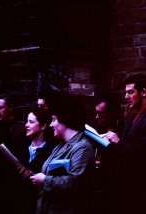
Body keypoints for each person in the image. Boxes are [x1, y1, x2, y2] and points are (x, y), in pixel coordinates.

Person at [30, 95, 96, 214]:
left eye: (54, 119)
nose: (51, 124)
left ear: (65, 121)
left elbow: (74, 182)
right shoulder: (60, 146)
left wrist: (45, 180)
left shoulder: (82, 148)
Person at [102, 73, 146, 214]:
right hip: (125, 187)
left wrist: (118, 141)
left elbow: (142, 152)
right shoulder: (131, 116)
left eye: (130, 92)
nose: (126, 97)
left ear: (144, 92)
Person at [21, 106, 57, 214]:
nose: (26, 125)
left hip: (40, 205)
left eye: (31, 122)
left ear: (43, 126)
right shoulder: (22, 147)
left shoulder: (52, 151)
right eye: (27, 121)